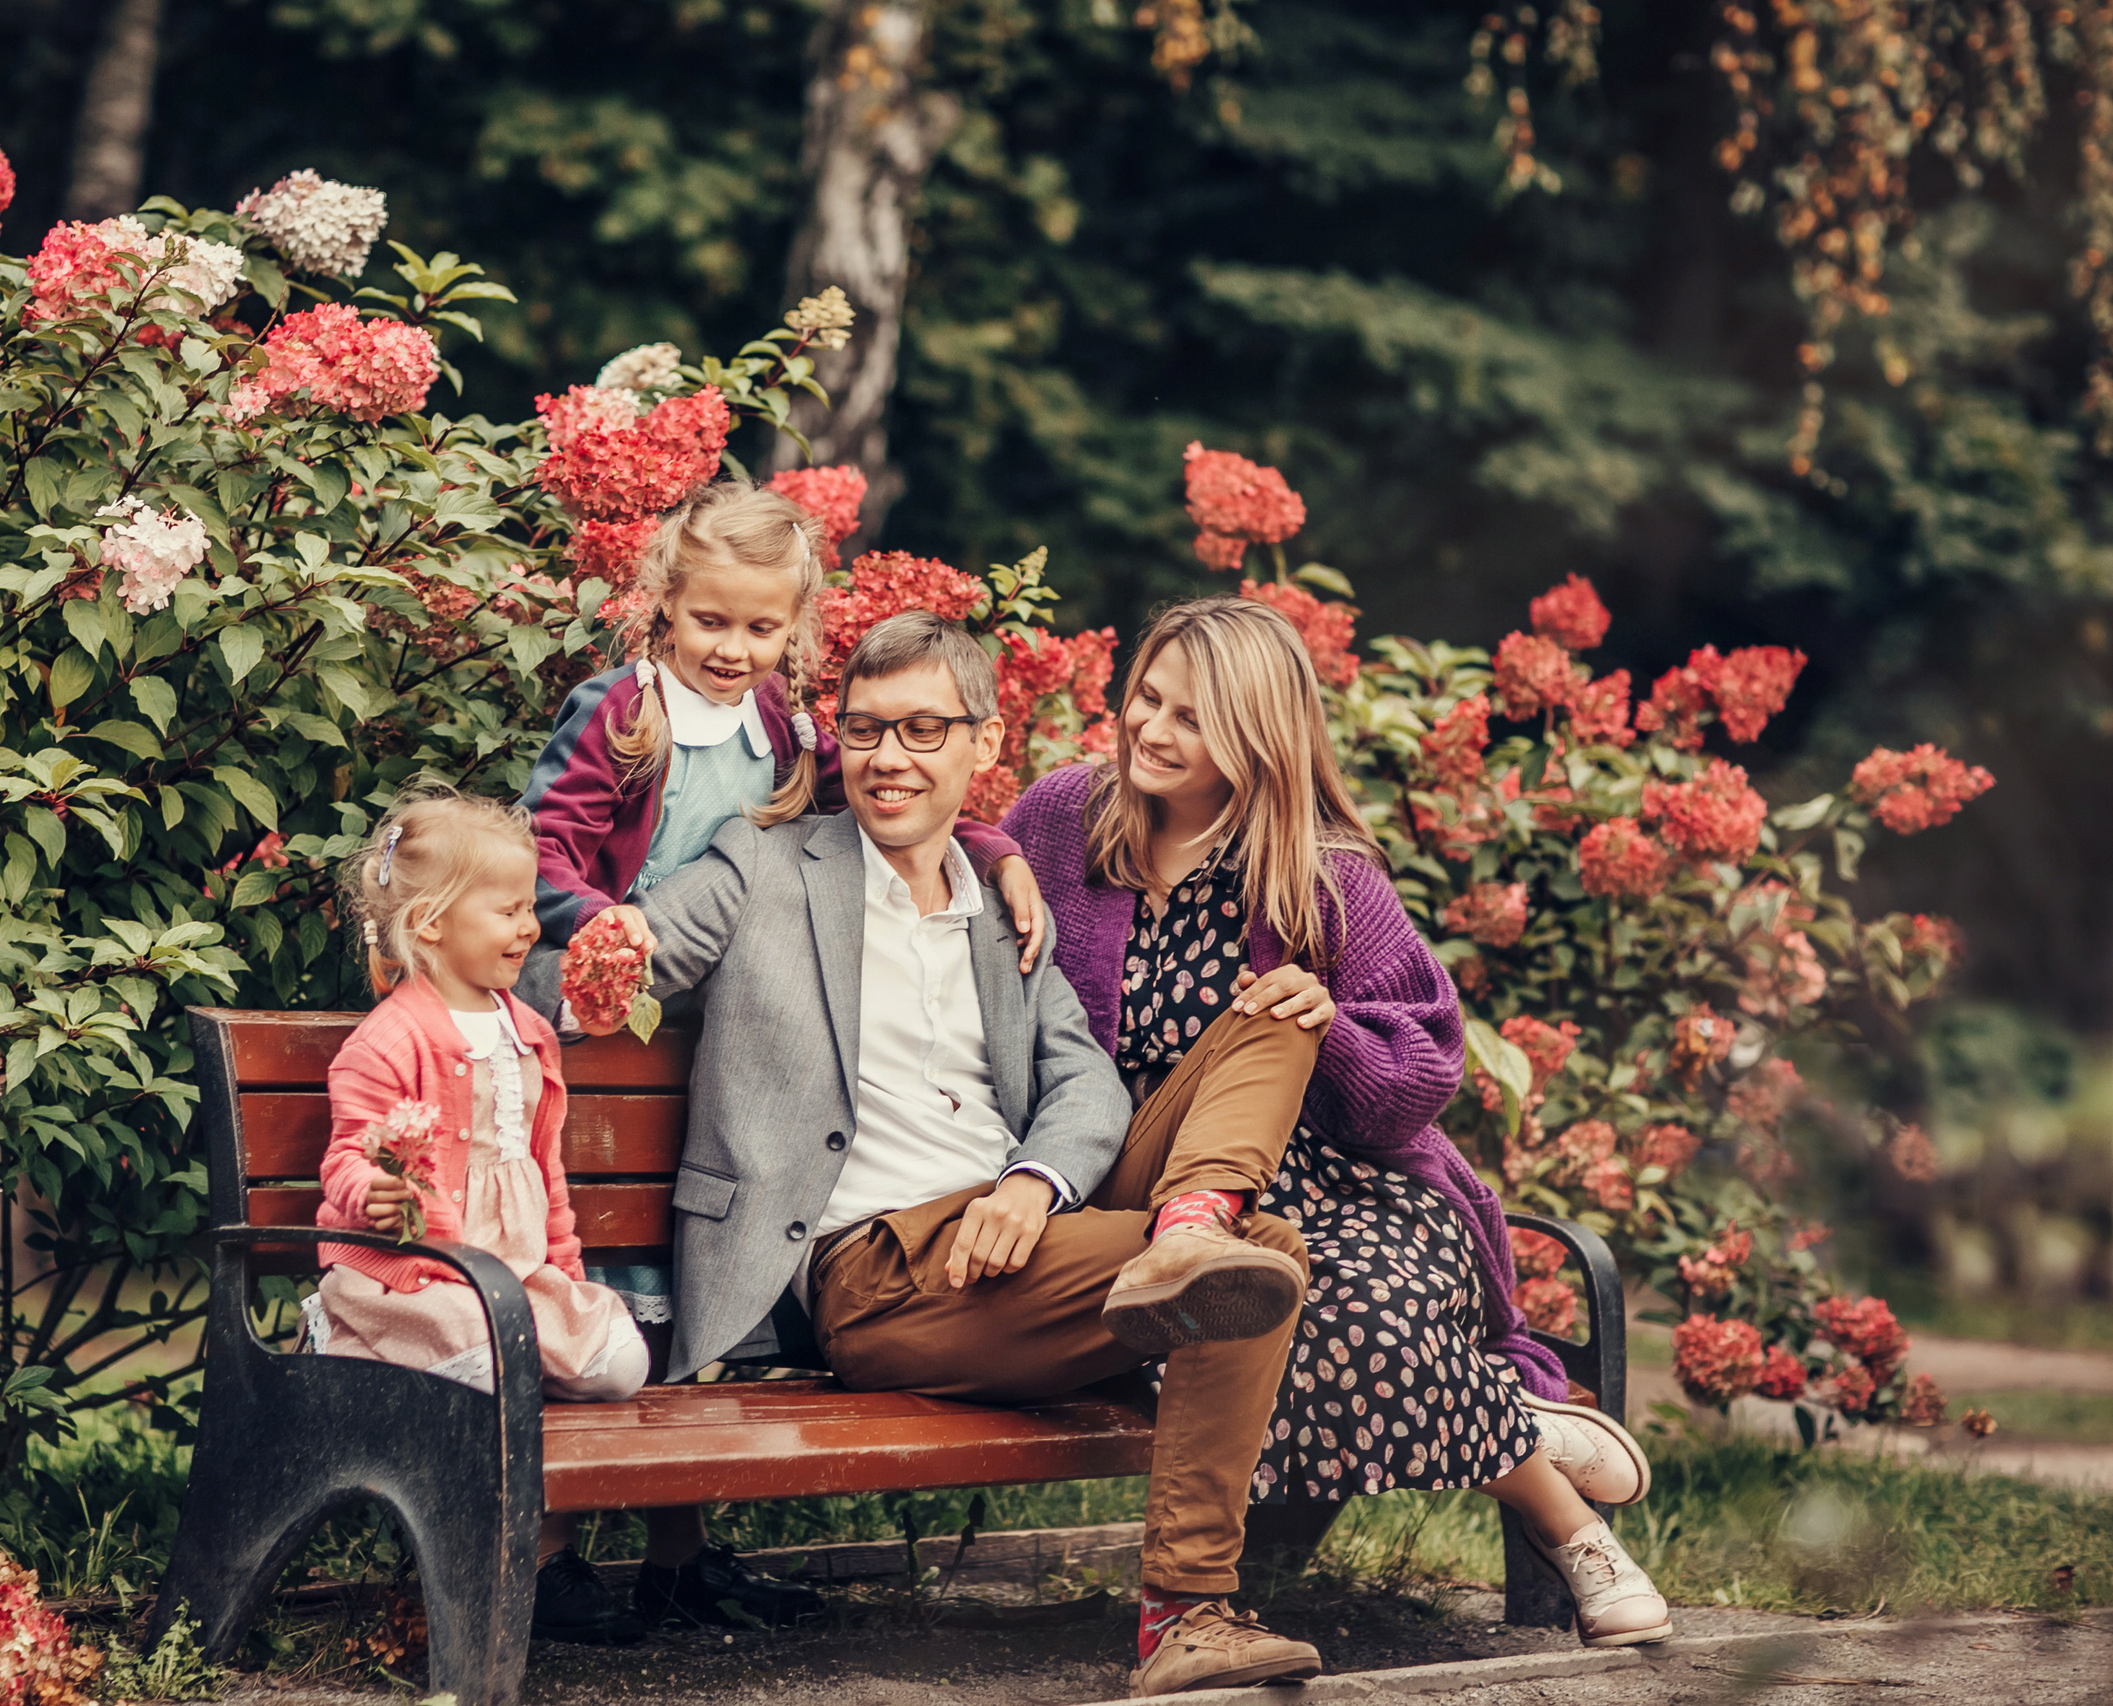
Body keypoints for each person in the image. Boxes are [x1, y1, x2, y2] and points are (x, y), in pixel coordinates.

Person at [558, 610, 1332, 1698]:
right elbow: (603, 973)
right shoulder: (764, 866)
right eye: (866, 730)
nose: (890, 757)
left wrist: (1030, 1180)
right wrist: (476, 950)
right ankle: (1186, 1610)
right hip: (874, 1266)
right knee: (1266, 1254)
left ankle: (1191, 1228)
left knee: (1284, 1012)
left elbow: (1083, 1084)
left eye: (925, 728)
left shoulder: (998, 909)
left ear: (985, 739)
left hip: (1018, 1230)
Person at [998, 594, 1672, 1650]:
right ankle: (1535, 1454)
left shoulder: (1321, 871)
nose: (1149, 730)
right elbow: (947, 844)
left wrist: (1329, 1024)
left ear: (1257, 735)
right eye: (1146, 699)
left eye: (1190, 718)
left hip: (1337, 1181)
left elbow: (1419, 1075)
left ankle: (1570, 1532)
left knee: (1337, 1297)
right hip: (1138, 1174)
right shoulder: (1060, 817)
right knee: (1263, 1290)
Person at [511, 480, 1039, 1643]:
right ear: (664, 605)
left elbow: (873, 811)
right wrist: (598, 925)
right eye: (711, 622)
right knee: (593, 1293)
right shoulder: (623, 710)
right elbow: (540, 842)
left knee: (693, 1307)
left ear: (793, 629)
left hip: (721, 1028)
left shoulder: (787, 730)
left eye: (760, 629)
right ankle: (543, 1558)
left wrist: (998, 852)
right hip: (616, 1006)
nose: (731, 648)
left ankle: (682, 1556)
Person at [312, 792, 662, 1635]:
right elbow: (346, 1157)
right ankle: (340, 1336)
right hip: (418, 1277)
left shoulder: (528, 1031)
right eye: (506, 910)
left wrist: (569, 1275)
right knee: (495, 1364)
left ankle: (525, 1389)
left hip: (518, 1276)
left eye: (528, 909)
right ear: (431, 924)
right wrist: (375, 1192)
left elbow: (546, 1170)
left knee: (620, 1363)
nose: (528, 928)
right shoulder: (392, 1039)